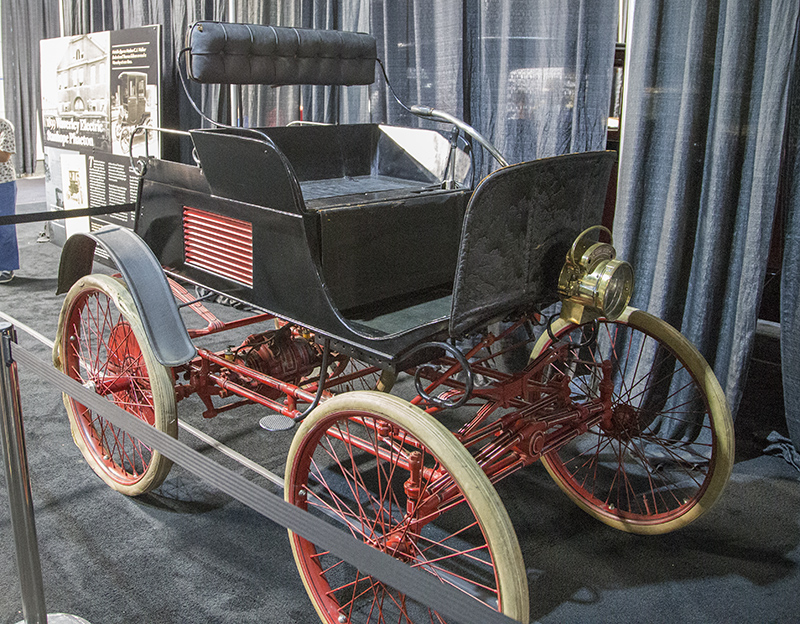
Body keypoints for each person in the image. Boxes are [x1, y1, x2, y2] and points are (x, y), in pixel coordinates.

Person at [0, 116, 17, 283]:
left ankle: (6, 267)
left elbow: (4, 156)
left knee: (5, 226)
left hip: (3, 183)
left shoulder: (5, 126)